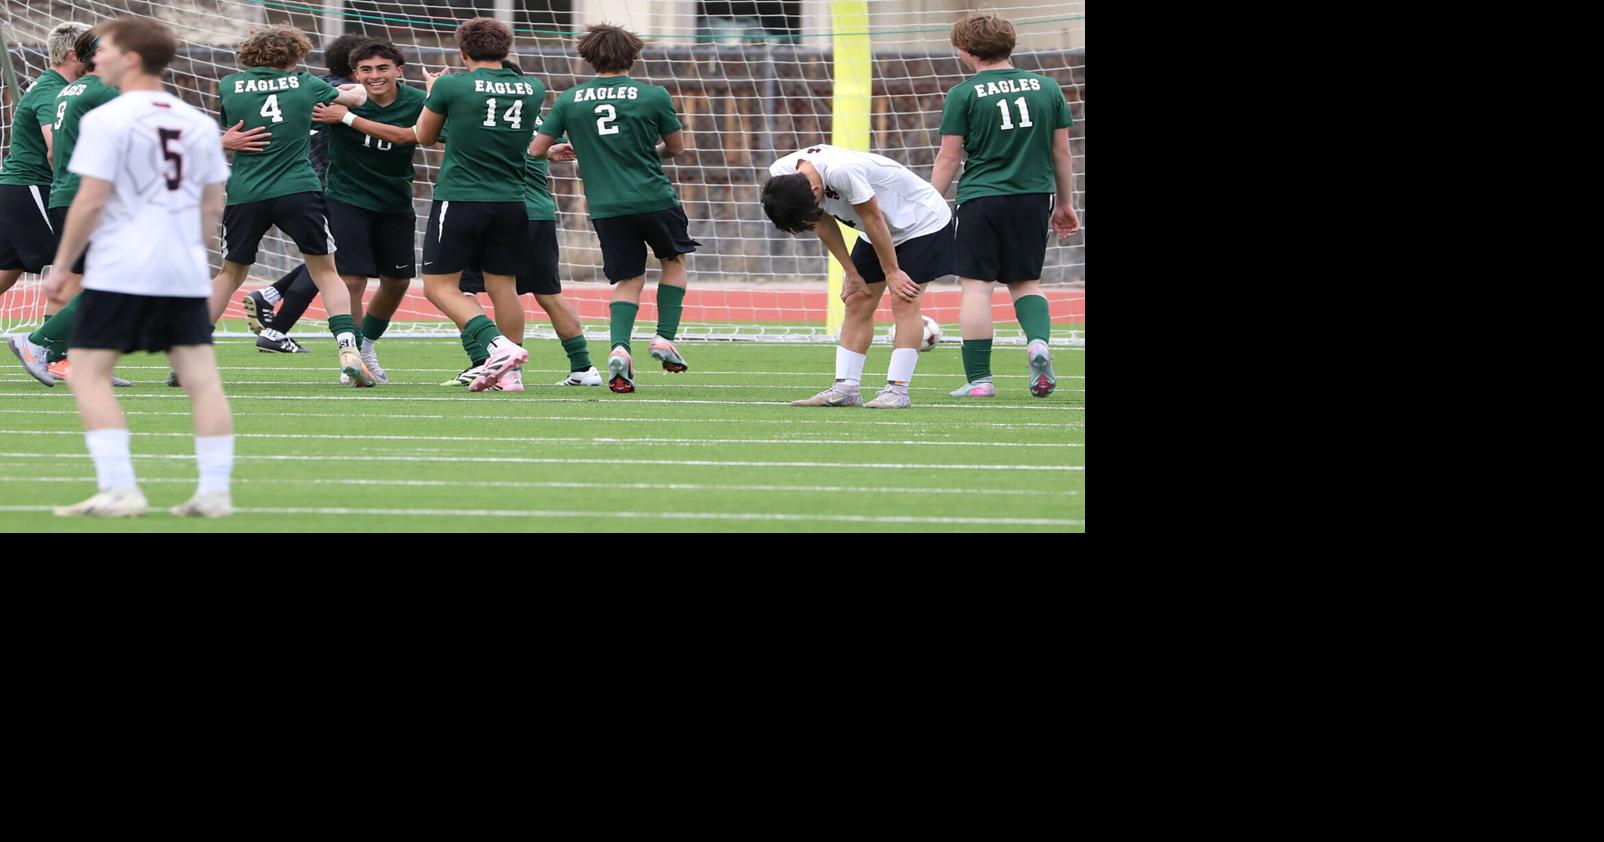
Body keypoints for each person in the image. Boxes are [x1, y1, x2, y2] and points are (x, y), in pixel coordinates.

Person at [46, 17, 236, 517]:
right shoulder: (196, 121)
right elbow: (212, 202)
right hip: (182, 268)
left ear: (130, 57)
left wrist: (62, 265)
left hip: (122, 267)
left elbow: (90, 200)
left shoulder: (107, 119)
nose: (95, 58)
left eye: (103, 49)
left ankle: (119, 489)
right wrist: (195, 255)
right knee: (201, 378)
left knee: (86, 372)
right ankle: (214, 494)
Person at [528, 23, 698, 394]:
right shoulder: (653, 95)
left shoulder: (570, 99)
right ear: (633, 55)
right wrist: (650, 153)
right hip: (653, 197)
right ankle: (663, 339)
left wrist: (568, 151)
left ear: (588, 57)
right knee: (673, 262)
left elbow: (537, 149)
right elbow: (676, 148)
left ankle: (620, 348)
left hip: (606, 205)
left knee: (628, 279)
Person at [203, 23, 371, 387]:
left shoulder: (230, 84)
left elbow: (232, 127)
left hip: (247, 192)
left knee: (229, 274)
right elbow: (356, 99)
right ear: (296, 54)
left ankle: (191, 354)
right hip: (298, 189)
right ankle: (347, 350)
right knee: (326, 271)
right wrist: (354, 87)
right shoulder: (307, 83)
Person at [929, 13, 1081, 399]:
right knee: (1026, 282)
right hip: (1033, 197)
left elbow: (948, 158)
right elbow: (1061, 151)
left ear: (964, 51)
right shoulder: (1048, 88)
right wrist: (1065, 203)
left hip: (981, 197)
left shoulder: (962, 94)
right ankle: (1038, 344)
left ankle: (980, 380)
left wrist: (929, 204)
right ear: (1010, 45)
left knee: (977, 288)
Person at [762, 144, 955, 409]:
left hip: (921, 222)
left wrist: (893, 272)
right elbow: (822, 222)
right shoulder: (782, 176)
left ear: (815, 191)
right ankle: (846, 389)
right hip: (876, 228)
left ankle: (897, 391)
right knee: (857, 299)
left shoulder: (842, 171)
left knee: (904, 299)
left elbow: (874, 218)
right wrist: (851, 273)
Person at [408, 16, 543, 393]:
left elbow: (423, 135)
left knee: (438, 286)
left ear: (462, 52)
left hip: (462, 197)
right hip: (512, 200)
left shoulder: (451, 84)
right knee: (504, 286)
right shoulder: (531, 87)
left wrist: (434, 92)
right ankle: (511, 376)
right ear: (507, 50)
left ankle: (497, 348)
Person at [307, 38, 426, 383]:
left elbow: (418, 136)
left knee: (398, 281)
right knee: (353, 279)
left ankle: (369, 345)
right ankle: (355, 357)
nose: (374, 76)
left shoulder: (419, 102)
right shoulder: (339, 98)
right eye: (366, 70)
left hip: (395, 201)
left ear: (399, 70)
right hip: (346, 198)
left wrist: (347, 119)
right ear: (355, 73)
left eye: (383, 68)